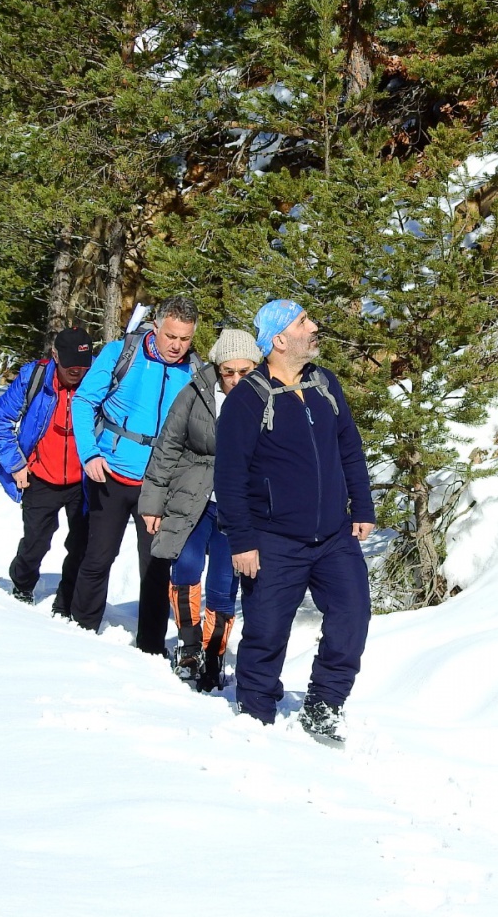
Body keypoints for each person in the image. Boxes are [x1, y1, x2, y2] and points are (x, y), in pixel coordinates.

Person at [215, 300, 375, 746]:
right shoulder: (247, 399)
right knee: (266, 632)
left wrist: (361, 507)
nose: (315, 327)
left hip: (333, 536)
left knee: (352, 614)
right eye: (304, 322)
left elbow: (350, 449)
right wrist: (242, 540)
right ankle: (256, 712)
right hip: (272, 540)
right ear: (279, 339)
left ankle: (325, 705)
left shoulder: (325, 384)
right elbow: (228, 476)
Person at [70, 297, 200, 652]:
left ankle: (151, 647)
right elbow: (83, 402)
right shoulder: (120, 354)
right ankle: (80, 631)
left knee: (155, 569)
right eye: (171, 335)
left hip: (159, 485)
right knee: (98, 556)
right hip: (110, 472)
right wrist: (89, 454)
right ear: (156, 327)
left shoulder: (194, 371)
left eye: (185, 339)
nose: (176, 345)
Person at [140, 328, 261, 691]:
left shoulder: (267, 399)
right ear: (217, 368)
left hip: (238, 509)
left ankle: (214, 652)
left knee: (224, 584)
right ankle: (189, 647)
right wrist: (152, 503)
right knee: (186, 567)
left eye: (244, 371)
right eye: (228, 371)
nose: (236, 379)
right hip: (192, 500)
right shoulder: (195, 393)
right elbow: (167, 447)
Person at [0, 327, 95, 612]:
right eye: (70, 364)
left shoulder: (97, 380)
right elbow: (0, 421)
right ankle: (22, 585)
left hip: (83, 481)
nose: (77, 371)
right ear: (55, 355)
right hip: (40, 477)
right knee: (36, 542)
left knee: (81, 545)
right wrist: (16, 464)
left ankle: (66, 599)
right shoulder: (34, 377)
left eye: (83, 365)